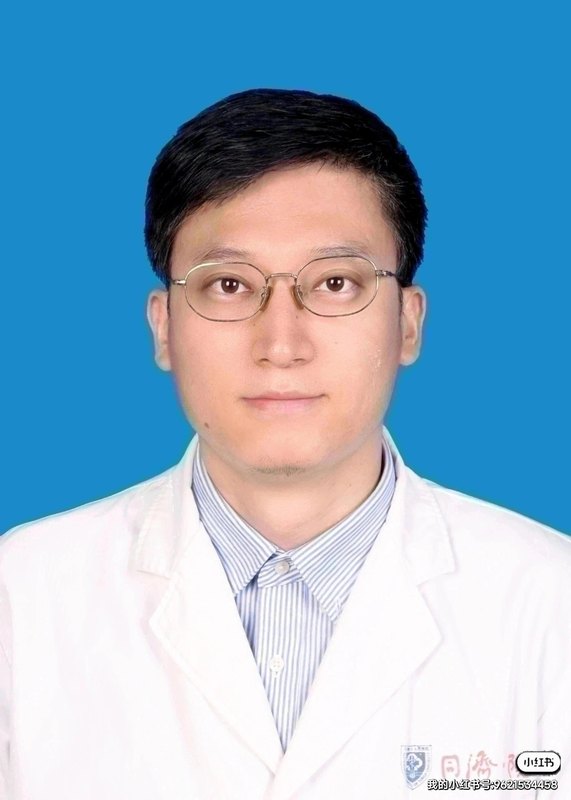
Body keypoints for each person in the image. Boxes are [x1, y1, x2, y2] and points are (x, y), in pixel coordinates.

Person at [0, 88, 569, 800]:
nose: (280, 344)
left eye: (334, 283)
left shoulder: (550, 602)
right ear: (164, 327)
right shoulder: (22, 597)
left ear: (407, 322)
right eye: (228, 285)